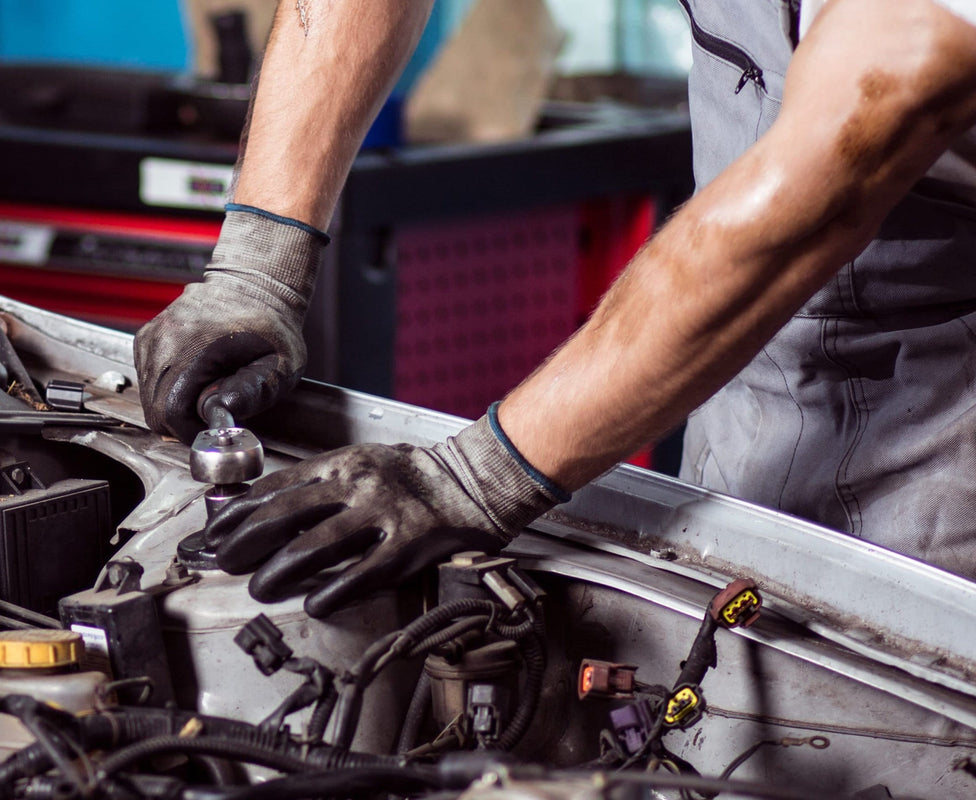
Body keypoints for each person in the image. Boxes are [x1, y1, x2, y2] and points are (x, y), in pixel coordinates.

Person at [135, 0, 976, 618]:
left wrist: (474, 479)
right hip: (741, 401)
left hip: (942, 461)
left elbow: (838, 170)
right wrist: (258, 264)